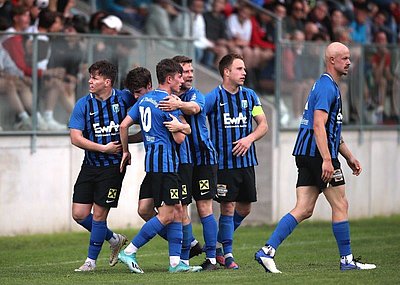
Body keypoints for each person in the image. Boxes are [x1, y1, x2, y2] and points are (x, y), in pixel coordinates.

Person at [254, 42, 377, 273]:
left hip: (307, 153)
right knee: (341, 203)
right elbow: (319, 124)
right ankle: (347, 260)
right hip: (318, 155)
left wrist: (349, 156)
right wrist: (328, 160)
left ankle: (267, 251)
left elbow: (331, 130)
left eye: (349, 58)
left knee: (304, 208)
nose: (349, 62)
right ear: (332, 60)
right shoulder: (326, 87)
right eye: (344, 58)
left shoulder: (327, 86)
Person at [118, 58, 202, 273]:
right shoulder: (167, 102)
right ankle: (129, 251)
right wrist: (182, 126)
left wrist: (126, 150)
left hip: (152, 164)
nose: (182, 81)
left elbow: (124, 125)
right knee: (168, 214)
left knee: (168, 210)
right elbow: (180, 139)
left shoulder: (145, 100)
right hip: (167, 165)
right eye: (179, 77)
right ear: (169, 78)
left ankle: (176, 263)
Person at [68, 60, 135, 272]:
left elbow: (147, 117)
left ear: (107, 82)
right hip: (90, 165)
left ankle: (90, 262)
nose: (90, 81)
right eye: (90, 77)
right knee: (79, 214)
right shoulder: (83, 104)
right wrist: (102, 148)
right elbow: (75, 137)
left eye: (94, 77)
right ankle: (114, 238)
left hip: (114, 167)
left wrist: (127, 145)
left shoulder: (124, 98)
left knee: (99, 215)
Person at [204, 53, 268, 269]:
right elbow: (197, 114)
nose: (244, 72)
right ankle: (228, 255)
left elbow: (263, 125)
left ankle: (216, 244)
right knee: (228, 207)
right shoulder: (214, 97)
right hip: (224, 164)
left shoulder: (250, 97)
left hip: (247, 162)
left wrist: (249, 139)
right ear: (226, 72)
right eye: (239, 69)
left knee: (245, 208)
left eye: (244, 69)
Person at [158, 55, 219, 270]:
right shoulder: (165, 97)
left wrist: (178, 103)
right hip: (180, 162)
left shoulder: (195, 95)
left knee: (204, 208)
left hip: (202, 158)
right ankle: (186, 256)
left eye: (192, 70)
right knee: (180, 209)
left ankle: (211, 257)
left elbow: (194, 108)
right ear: (174, 75)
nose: (191, 74)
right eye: (186, 71)